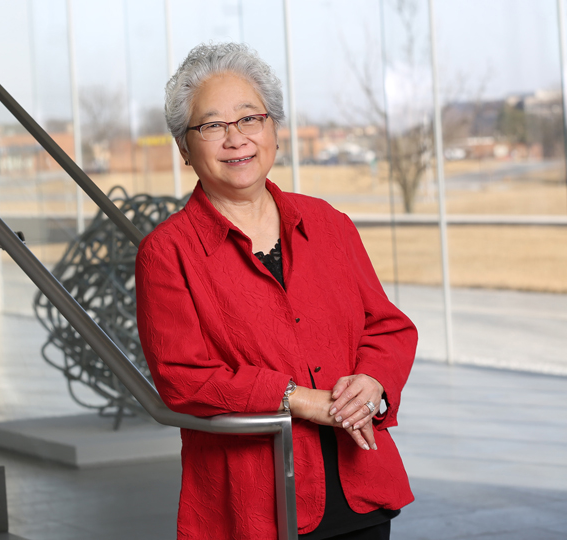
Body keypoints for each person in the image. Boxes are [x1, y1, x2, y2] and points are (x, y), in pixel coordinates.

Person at [135, 43, 417, 540]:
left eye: (249, 119)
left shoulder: (329, 224)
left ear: (274, 132)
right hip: (254, 504)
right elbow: (184, 378)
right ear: (184, 148)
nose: (235, 138)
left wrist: (372, 382)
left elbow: (388, 326)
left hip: (361, 483)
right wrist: (299, 400)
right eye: (212, 125)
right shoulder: (167, 253)